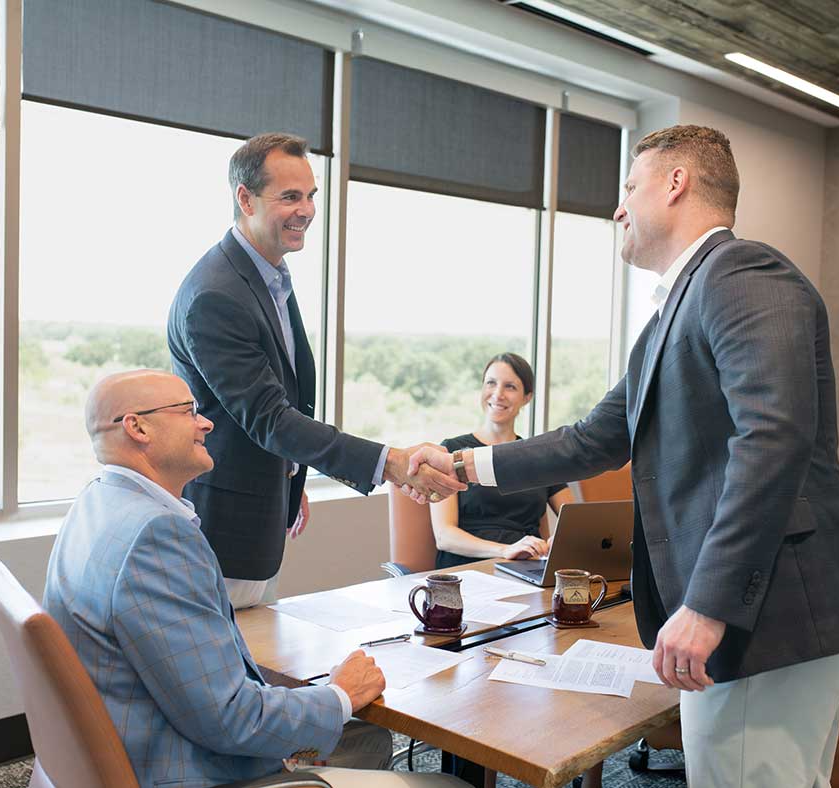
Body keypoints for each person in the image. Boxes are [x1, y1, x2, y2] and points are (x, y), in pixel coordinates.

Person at [411, 125, 839, 787]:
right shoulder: (670, 316)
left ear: (676, 184)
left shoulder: (741, 274)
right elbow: (591, 439)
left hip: (767, 616)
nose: (619, 207)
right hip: (768, 615)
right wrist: (459, 465)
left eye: (630, 186)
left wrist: (710, 603)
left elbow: (772, 438)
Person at [43, 370, 466, 788]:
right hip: (184, 767)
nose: (206, 422)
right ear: (137, 427)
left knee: (368, 739)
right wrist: (339, 694)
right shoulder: (155, 535)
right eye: (189, 411)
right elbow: (229, 719)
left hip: (137, 737)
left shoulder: (97, 503)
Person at [168, 133, 461, 609]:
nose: (305, 210)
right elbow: (269, 417)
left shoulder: (268, 274)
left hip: (264, 511)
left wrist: (289, 477)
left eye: (310, 196)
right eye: (289, 197)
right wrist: (389, 463)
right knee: (238, 673)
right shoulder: (216, 295)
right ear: (245, 198)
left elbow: (279, 395)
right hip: (227, 529)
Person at [431, 352, 573, 569]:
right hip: (467, 568)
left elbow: (576, 521)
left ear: (527, 397)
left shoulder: (539, 455)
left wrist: (560, 541)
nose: (498, 394)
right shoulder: (452, 451)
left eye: (510, 387)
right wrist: (505, 550)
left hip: (527, 569)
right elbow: (444, 536)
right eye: (491, 383)